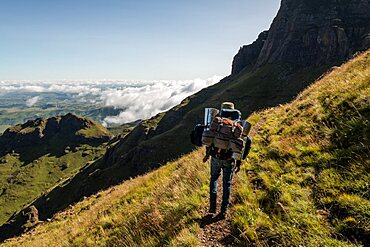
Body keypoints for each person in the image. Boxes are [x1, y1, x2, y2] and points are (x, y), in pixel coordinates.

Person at [203, 102, 243, 218]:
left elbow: (209, 139)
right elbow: (240, 147)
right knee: (227, 184)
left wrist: (207, 155)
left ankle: (212, 206)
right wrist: (238, 163)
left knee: (214, 179)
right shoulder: (236, 125)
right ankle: (224, 211)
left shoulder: (217, 122)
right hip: (229, 159)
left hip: (215, 157)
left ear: (222, 110)